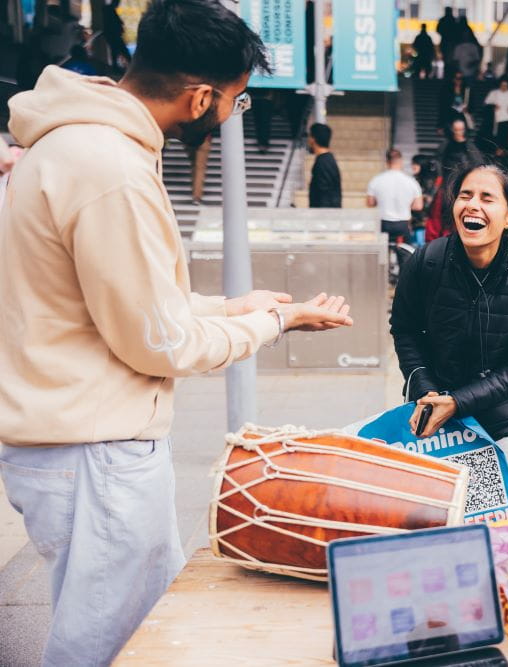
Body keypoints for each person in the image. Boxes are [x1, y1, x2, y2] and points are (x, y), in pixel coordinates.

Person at [0, 1, 354, 664]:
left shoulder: (75, 143)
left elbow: (128, 304)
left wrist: (231, 306)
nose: (227, 117)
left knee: (111, 628)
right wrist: (272, 320)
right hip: (95, 449)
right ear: (200, 97)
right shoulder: (112, 171)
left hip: (71, 437)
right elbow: (159, 342)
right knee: (114, 645)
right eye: (234, 103)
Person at [390, 163, 508, 487]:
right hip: (433, 422)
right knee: (435, 528)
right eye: (465, 195)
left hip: (501, 424)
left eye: (487, 197)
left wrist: (457, 403)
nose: (473, 205)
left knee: (494, 530)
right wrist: (428, 393)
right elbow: (405, 330)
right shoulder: (425, 262)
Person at [367, 149, 424, 244]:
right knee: (405, 254)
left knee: (383, 252)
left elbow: (370, 203)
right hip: (403, 224)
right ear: (401, 161)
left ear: (387, 162)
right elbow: (418, 206)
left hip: (384, 223)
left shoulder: (376, 180)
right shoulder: (411, 182)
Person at [307, 122, 342, 208]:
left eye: (309, 137)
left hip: (324, 217)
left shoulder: (323, 162)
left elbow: (325, 194)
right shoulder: (327, 160)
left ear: (313, 139)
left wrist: (322, 217)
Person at [483, 78, 508, 152]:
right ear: (500, 85)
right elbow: (486, 103)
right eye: (502, 85)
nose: (504, 87)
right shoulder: (494, 93)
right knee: (497, 138)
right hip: (497, 119)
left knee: (507, 137)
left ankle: (506, 151)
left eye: (506, 85)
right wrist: (493, 106)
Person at [186, 134, 211, 205]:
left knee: (194, 166)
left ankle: (195, 191)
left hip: (189, 140)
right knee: (200, 168)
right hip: (203, 140)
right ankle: (197, 196)